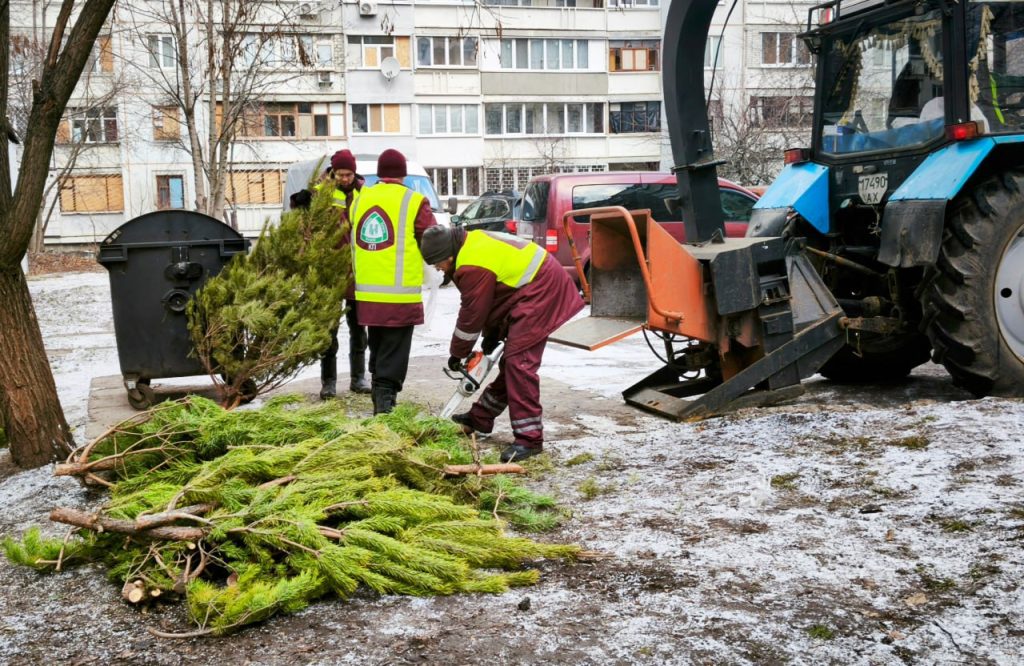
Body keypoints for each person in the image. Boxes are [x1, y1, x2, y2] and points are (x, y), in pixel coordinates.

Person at [418, 225, 584, 462]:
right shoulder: (469, 242)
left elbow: (473, 313)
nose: (437, 269)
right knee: (513, 364)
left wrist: (458, 353)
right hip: (534, 288)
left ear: (449, 256)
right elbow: (496, 297)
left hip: (543, 290)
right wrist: (492, 335)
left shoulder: (471, 263)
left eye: (438, 264)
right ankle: (481, 418)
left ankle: (530, 438)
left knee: (519, 364)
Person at [349, 149, 437, 414]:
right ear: (402, 174)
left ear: (380, 173)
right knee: (395, 352)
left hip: (366, 295)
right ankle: (385, 406)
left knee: (377, 346)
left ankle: (379, 396)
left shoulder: (360, 200)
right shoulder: (414, 201)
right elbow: (433, 239)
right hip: (400, 296)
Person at [321, 149, 371, 399]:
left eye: (348, 174)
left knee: (358, 329)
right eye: (340, 174)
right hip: (329, 271)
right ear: (333, 171)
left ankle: (358, 378)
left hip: (357, 271)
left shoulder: (365, 193)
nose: (344, 178)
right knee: (328, 330)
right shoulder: (321, 193)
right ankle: (328, 382)